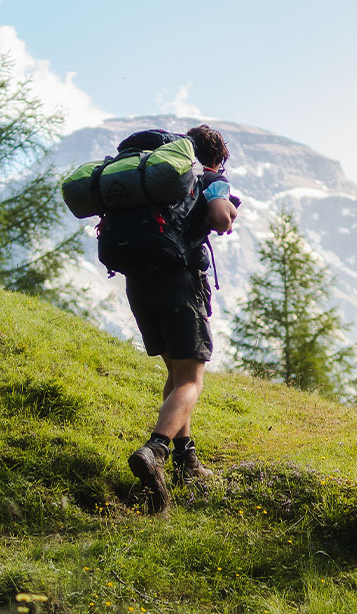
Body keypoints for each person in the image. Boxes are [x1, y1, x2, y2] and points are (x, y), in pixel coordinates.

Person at [125, 124, 239, 513]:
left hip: (139, 285)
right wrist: (226, 206)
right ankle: (155, 449)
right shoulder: (208, 177)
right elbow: (222, 219)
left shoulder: (149, 177)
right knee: (192, 379)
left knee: (175, 375)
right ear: (217, 157)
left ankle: (186, 459)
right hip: (178, 283)